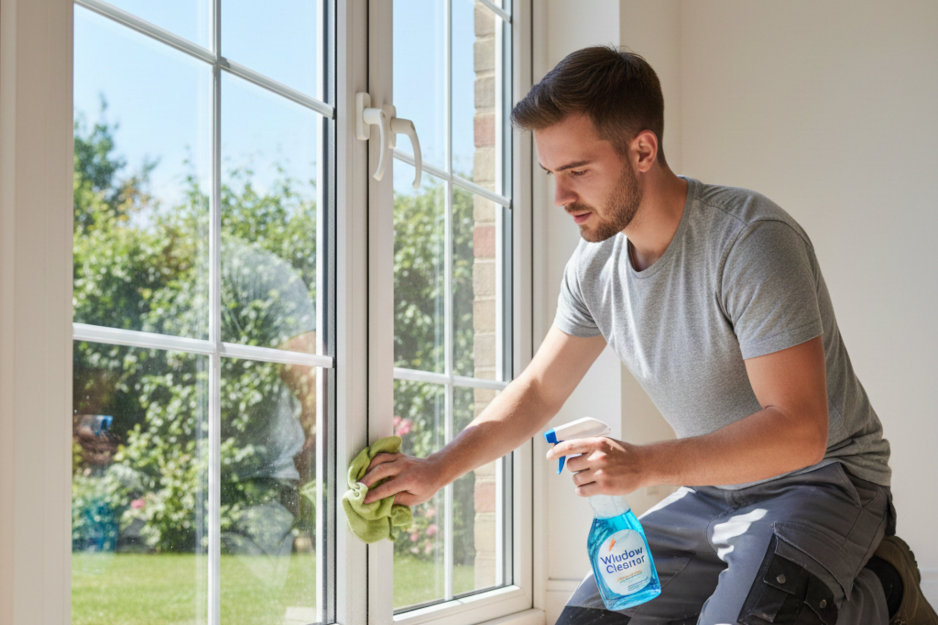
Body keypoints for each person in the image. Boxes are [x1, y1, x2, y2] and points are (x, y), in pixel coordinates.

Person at [361, 46, 937, 624]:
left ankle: (883, 590)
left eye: (578, 171)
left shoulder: (749, 240)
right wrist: (436, 468)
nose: (561, 197)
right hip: (711, 491)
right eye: (552, 174)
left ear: (642, 150)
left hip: (824, 481)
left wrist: (644, 465)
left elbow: (800, 432)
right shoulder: (593, 270)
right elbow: (538, 390)